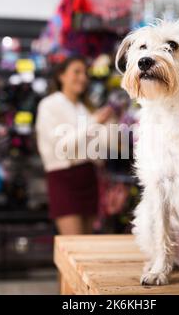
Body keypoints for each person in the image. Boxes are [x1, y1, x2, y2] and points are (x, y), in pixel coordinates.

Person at [36, 56, 113, 235]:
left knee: (86, 245)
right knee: (73, 245)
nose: (83, 77)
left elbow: (98, 148)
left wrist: (110, 125)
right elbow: (61, 147)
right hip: (64, 178)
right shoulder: (49, 105)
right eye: (76, 72)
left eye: (85, 73)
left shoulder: (84, 108)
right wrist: (95, 122)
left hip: (88, 177)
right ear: (61, 75)